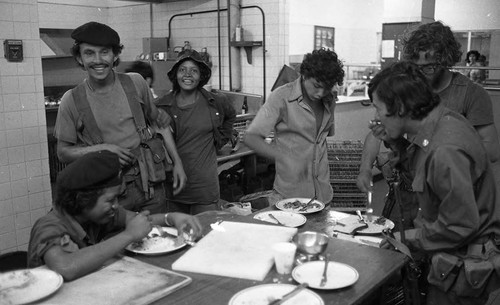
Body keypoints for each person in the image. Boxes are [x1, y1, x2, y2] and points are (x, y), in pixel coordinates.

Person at [372, 61, 500, 305]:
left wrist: (405, 237)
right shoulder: (442, 121)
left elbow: (459, 226)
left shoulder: (446, 149)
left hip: (461, 264)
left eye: (378, 108)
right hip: (449, 253)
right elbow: (429, 179)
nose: (376, 116)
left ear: (399, 107)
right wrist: (396, 143)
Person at [357, 21, 500, 228]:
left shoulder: (471, 94)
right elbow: (378, 131)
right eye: (417, 66)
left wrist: (441, 160)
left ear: (445, 59)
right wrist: (365, 169)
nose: (423, 72)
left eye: (430, 66)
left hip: (446, 194)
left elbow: (492, 151)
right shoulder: (406, 88)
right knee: (396, 246)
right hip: (408, 188)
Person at [54, 21, 184, 214]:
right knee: (118, 242)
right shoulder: (71, 100)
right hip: (108, 194)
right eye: (89, 53)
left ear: (115, 55)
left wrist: (177, 163)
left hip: (151, 186)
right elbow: (63, 153)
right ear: (80, 58)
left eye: (105, 52)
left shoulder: (136, 83)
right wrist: (103, 149)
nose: (98, 60)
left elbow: (160, 122)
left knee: (158, 240)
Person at [27, 150, 202, 281]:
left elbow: (137, 221)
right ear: (83, 200)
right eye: (111, 200)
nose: (116, 206)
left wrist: (171, 218)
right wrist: (129, 235)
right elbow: (65, 267)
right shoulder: (49, 227)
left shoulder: (94, 215)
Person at [244, 48, 344, 205]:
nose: (320, 93)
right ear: (305, 74)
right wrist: (283, 157)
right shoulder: (282, 96)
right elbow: (251, 137)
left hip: (323, 195)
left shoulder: (329, 99)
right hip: (291, 197)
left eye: (326, 87)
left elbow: (323, 138)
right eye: (316, 85)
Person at [156, 49, 236, 214]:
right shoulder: (162, 106)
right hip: (175, 186)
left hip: (205, 187)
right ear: (175, 74)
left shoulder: (215, 102)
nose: (187, 75)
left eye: (194, 71)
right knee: (178, 236)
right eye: (182, 70)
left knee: (206, 235)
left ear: (201, 76)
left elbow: (230, 115)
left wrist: (221, 139)